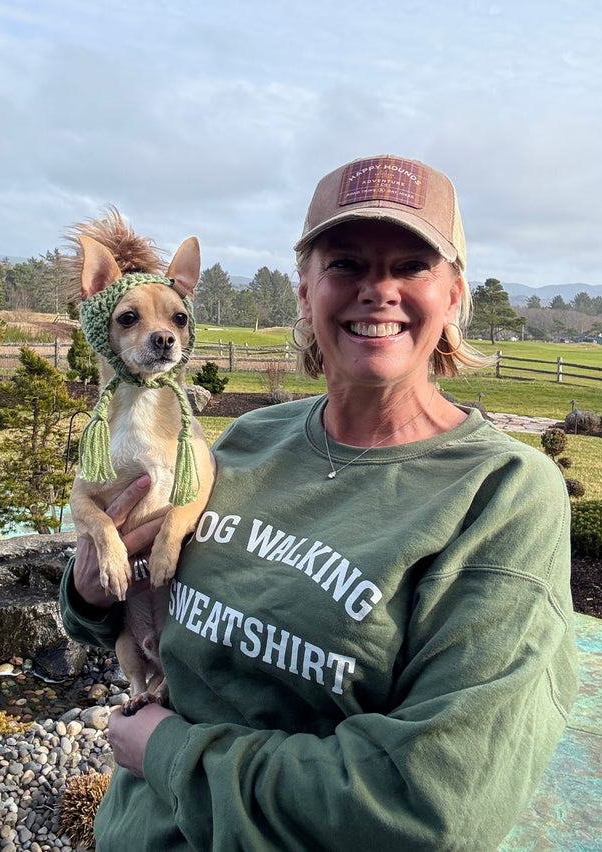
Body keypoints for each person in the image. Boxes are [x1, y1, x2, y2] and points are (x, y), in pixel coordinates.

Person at [60, 154, 578, 851]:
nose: (379, 290)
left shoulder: (499, 495)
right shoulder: (246, 443)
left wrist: (169, 753)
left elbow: (429, 805)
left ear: (453, 296)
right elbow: (138, 616)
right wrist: (89, 592)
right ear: (305, 292)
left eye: (410, 265)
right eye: (345, 264)